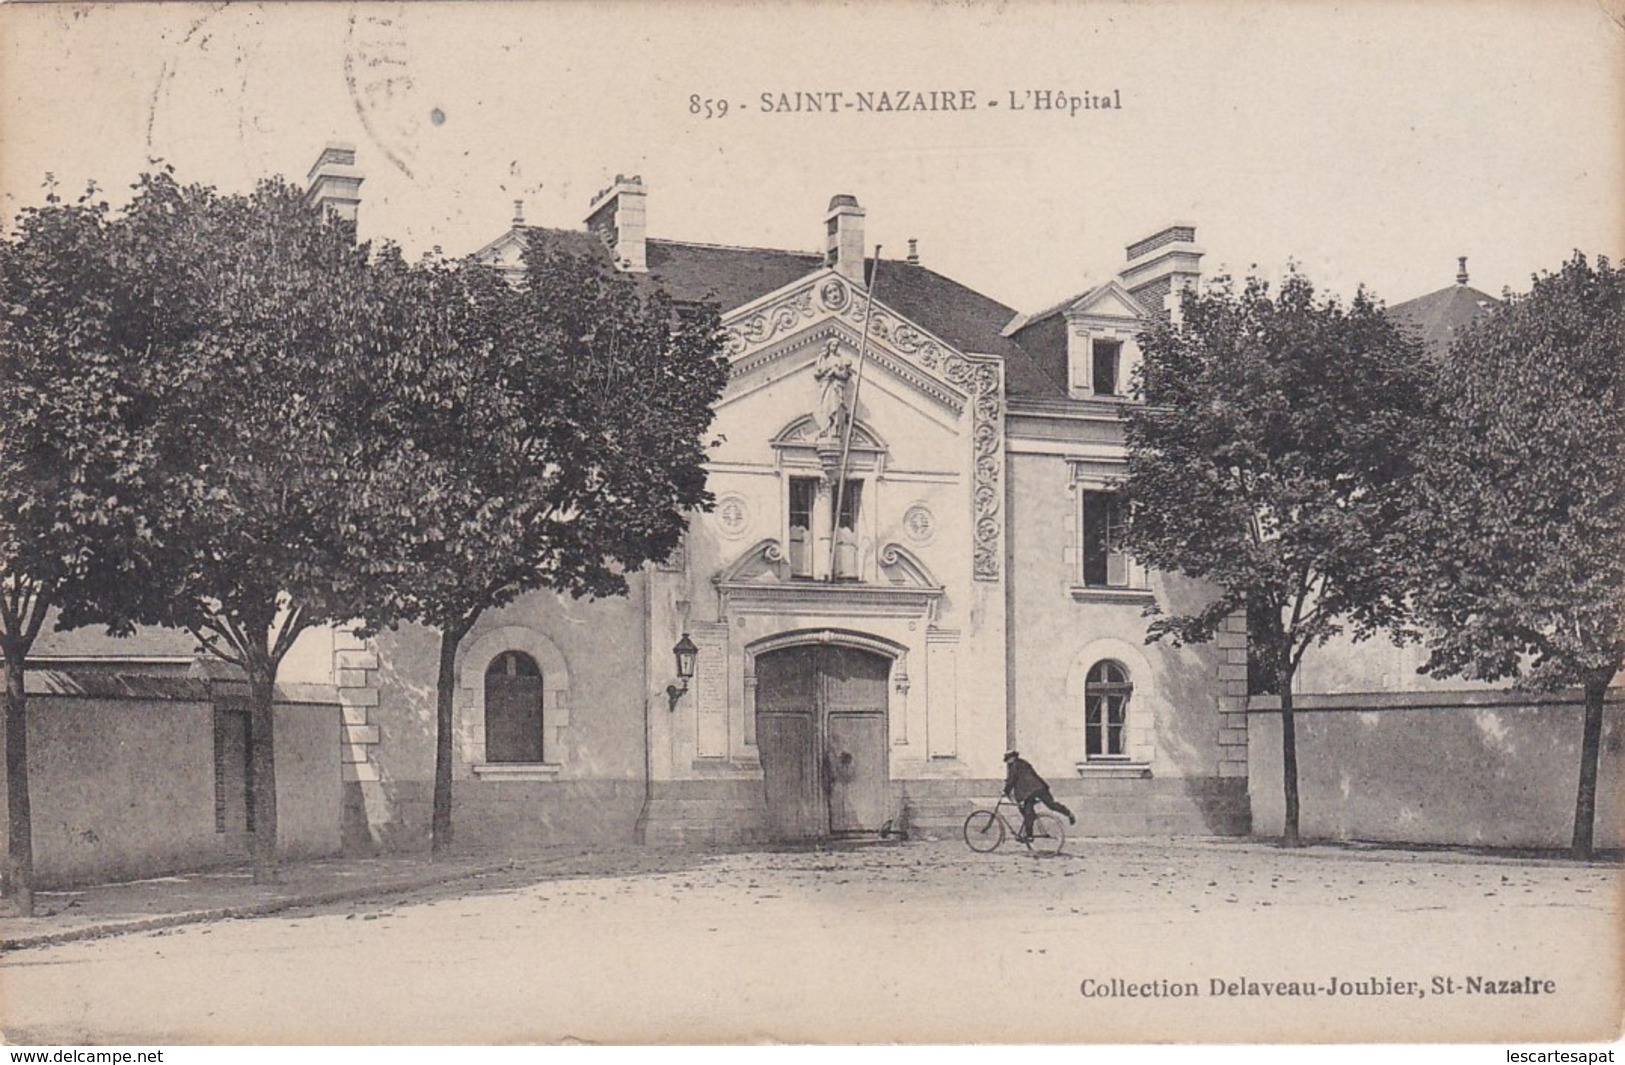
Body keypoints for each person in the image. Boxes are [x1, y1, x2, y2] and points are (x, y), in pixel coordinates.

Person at [1002, 750, 1075, 842]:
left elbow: (1011, 781)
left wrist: (1005, 792)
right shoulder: (1024, 763)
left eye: (1008, 759)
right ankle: (1068, 813)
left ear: (1012, 758)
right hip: (1040, 787)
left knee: (1027, 812)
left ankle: (1029, 836)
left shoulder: (1015, 766)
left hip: (1030, 792)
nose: (1007, 762)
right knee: (1051, 804)